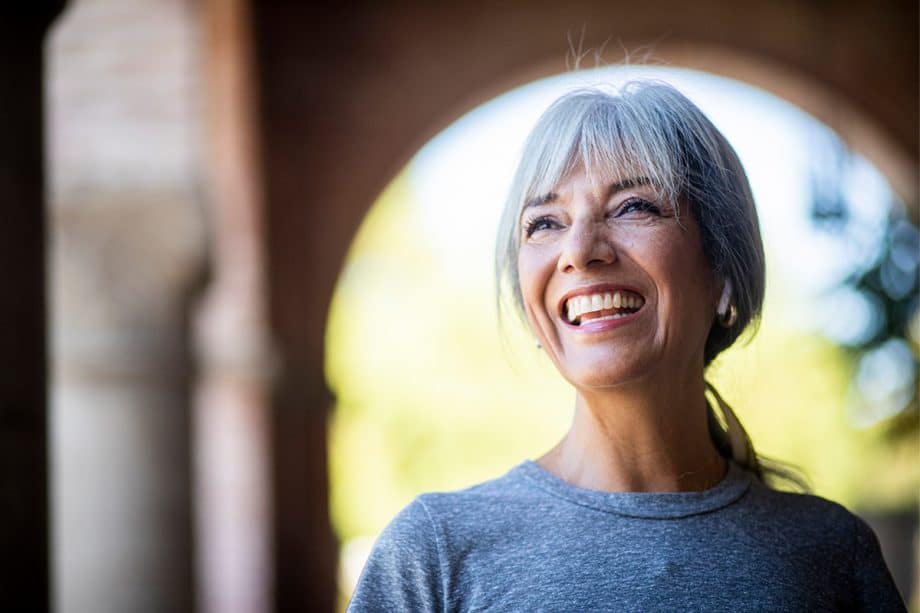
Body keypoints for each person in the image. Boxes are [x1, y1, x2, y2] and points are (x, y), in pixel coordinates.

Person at [347, 81, 906, 612]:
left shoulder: (831, 554)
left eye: (634, 206)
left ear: (724, 274)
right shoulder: (431, 556)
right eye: (543, 223)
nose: (579, 251)